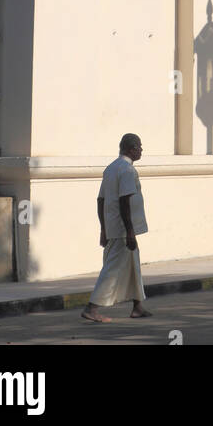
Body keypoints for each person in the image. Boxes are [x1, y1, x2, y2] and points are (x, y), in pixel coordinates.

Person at [82, 133, 151, 323]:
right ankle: (91, 308)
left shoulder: (111, 168)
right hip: (122, 230)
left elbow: (100, 200)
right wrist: (129, 231)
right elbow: (124, 201)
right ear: (130, 149)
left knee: (133, 266)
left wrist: (104, 229)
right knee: (112, 269)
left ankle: (137, 306)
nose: (141, 150)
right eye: (138, 147)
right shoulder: (127, 170)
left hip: (115, 227)